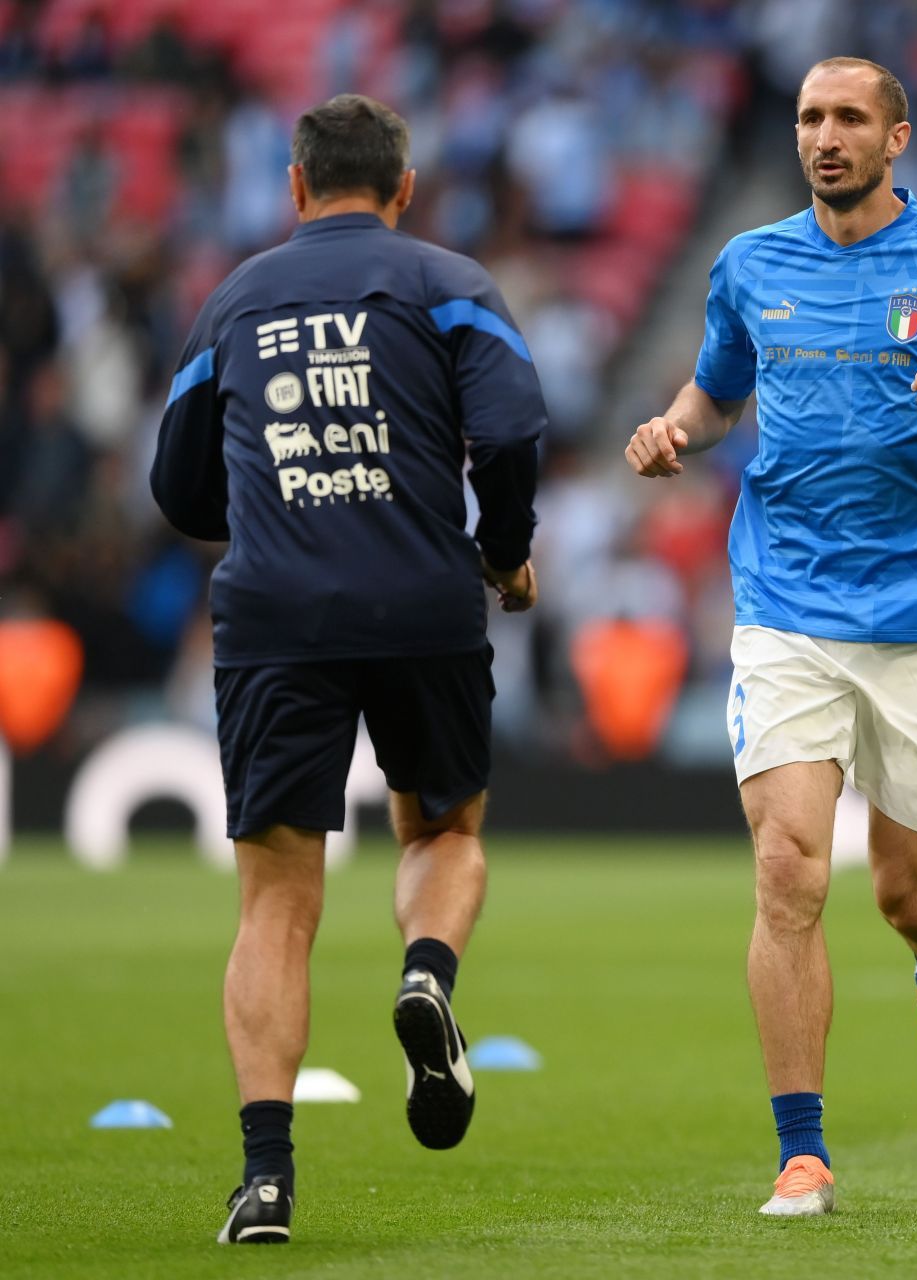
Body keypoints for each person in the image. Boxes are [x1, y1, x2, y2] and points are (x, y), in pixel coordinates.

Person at [622, 56, 917, 1217]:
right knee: (787, 867)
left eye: (847, 119)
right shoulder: (751, 263)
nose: (824, 137)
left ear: (898, 139)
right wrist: (674, 430)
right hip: (789, 609)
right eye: (808, 119)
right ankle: (803, 1151)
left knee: (911, 892)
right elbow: (716, 390)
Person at [150, 94, 544, 1244]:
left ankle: (266, 1179)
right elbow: (514, 428)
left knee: (276, 899)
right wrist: (505, 553)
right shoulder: (451, 284)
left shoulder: (234, 297)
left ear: (295, 184)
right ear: (405, 184)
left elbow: (177, 488)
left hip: (276, 617)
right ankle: (427, 974)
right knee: (444, 832)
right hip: (425, 602)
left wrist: (278, 511)